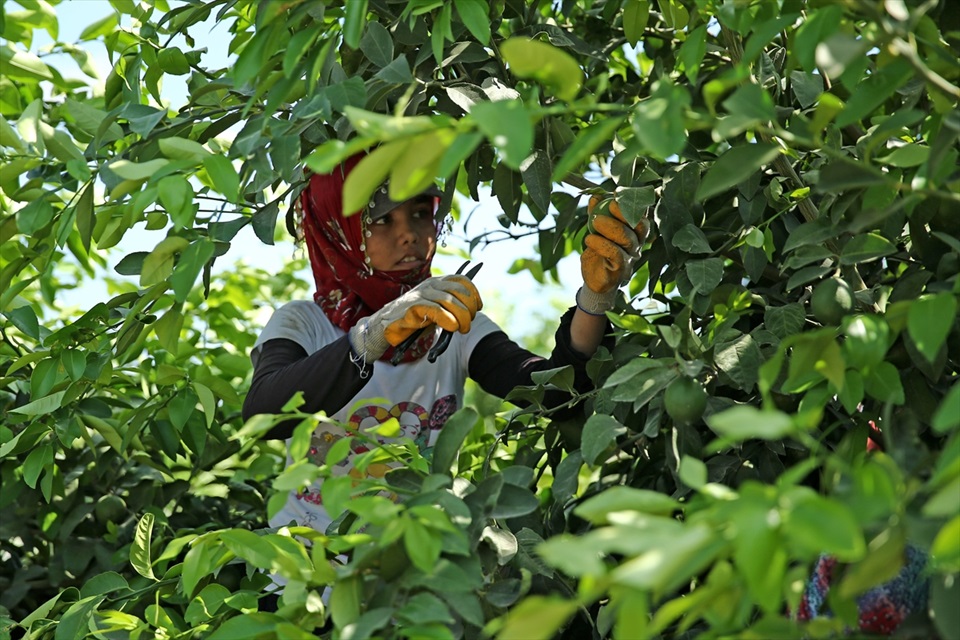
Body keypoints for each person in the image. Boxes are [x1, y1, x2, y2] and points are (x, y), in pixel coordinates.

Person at [241, 150, 646, 557]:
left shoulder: (451, 320)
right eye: (381, 220)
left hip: (418, 571)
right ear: (336, 228)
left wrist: (596, 297)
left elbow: (554, 394)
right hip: (304, 573)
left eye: (420, 213)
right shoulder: (304, 323)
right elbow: (263, 415)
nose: (410, 234)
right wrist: (374, 335)